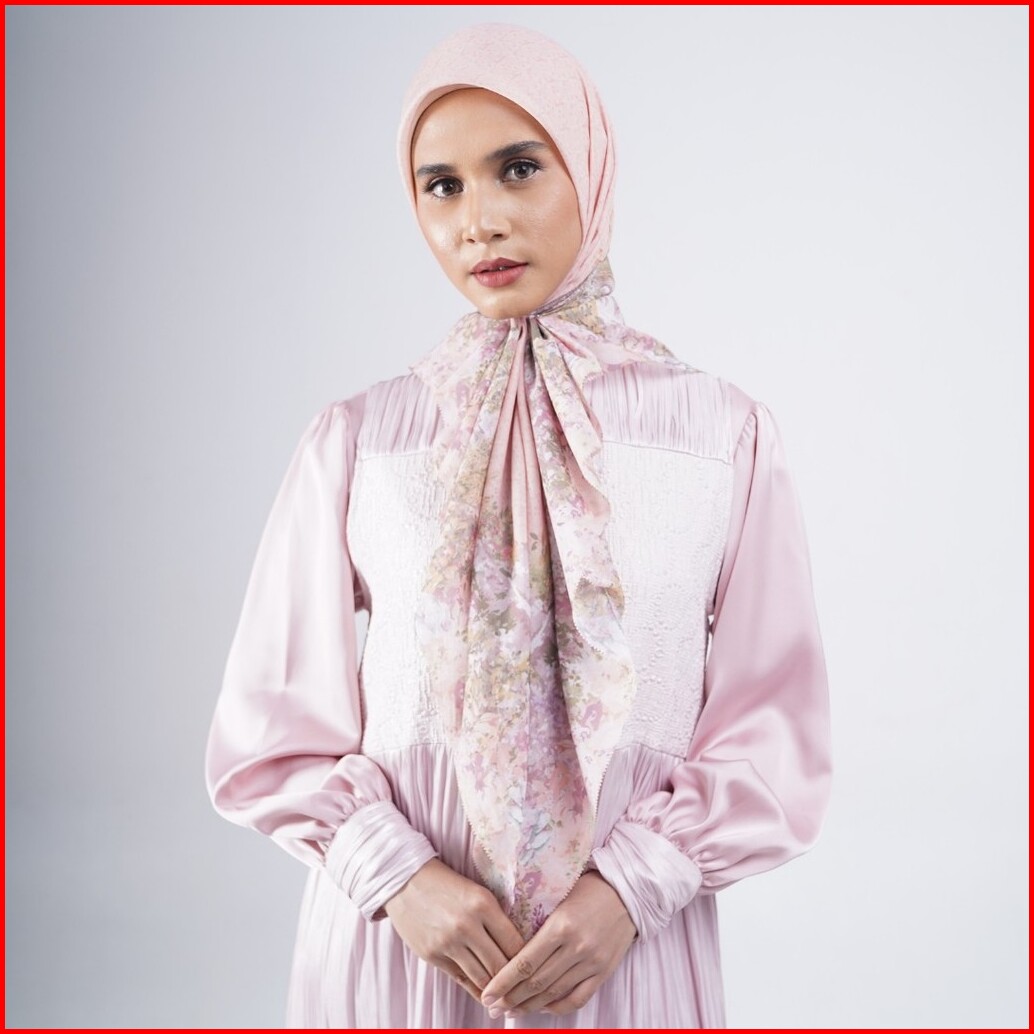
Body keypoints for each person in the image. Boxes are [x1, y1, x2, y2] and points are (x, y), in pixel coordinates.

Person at [204, 22, 832, 1029]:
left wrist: (633, 887)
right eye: (441, 186)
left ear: (589, 167)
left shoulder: (721, 438)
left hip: (621, 954)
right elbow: (270, 731)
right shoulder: (363, 441)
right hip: (396, 947)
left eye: (518, 168)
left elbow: (774, 732)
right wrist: (396, 876)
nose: (479, 221)